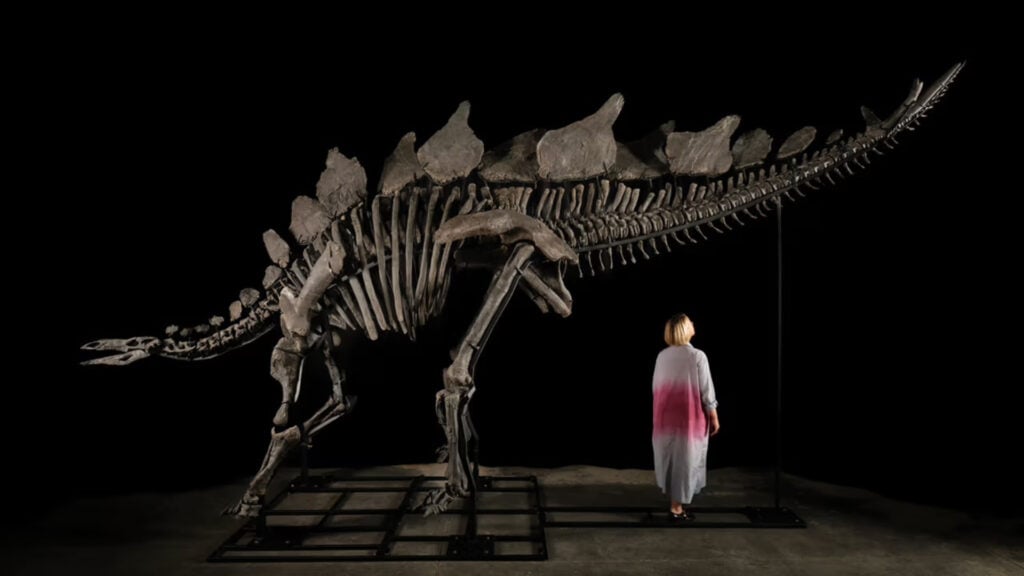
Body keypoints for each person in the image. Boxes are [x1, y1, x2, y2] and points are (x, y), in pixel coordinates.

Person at [652, 313, 720, 521]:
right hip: (689, 419)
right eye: (690, 321)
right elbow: (707, 391)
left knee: (670, 459)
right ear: (684, 328)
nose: (693, 323)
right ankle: (676, 509)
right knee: (686, 460)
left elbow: (656, 388)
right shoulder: (697, 356)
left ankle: (675, 504)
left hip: (664, 419)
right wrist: (714, 416)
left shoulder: (662, 356)